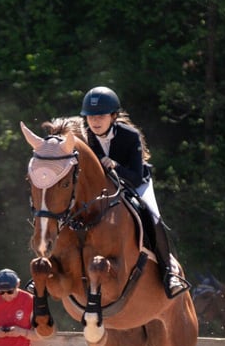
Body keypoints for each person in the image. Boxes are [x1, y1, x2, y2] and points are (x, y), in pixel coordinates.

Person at [80, 85, 191, 298]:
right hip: (105, 188)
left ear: (113, 116)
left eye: (101, 116)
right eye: (91, 116)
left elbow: (136, 176)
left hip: (135, 182)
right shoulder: (86, 138)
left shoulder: (130, 136)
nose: (95, 121)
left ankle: (169, 272)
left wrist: (114, 165)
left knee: (152, 216)